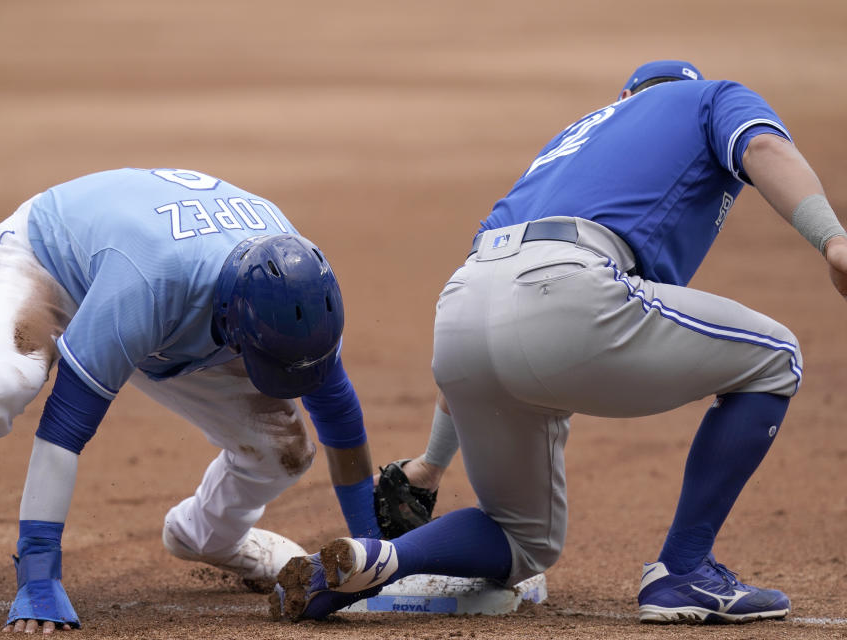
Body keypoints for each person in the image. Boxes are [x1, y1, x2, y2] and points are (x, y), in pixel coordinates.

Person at [270, 60, 847, 624]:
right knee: (776, 356)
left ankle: (380, 559)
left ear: (624, 96)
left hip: (462, 304)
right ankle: (685, 568)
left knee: (524, 539)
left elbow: (496, 323)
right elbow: (764, 148)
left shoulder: (568, 144)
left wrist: (431, 465)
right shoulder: (708, 98)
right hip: (569, 290)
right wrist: (832, 241)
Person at [0, 168, 381, 633]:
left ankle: (208, 535)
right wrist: (38, 574)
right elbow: (65, 427)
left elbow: (337, 414)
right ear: (235, 319)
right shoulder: (149, 285)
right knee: (5, 382)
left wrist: (370, 552)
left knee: (283, 450)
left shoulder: (300, 291)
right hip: (54, 263)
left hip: (173, 311)